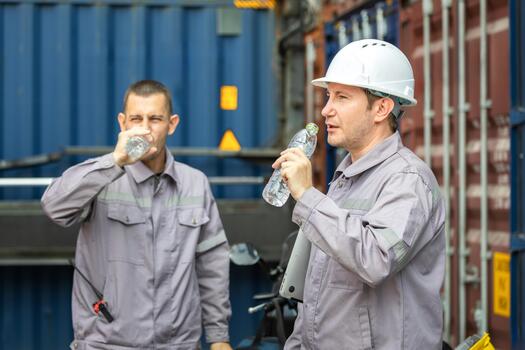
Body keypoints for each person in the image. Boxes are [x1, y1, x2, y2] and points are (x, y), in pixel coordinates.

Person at [275, 39, 446, 349]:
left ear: (382, 107)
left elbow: (375, 259)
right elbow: (316, 289)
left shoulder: (407, 180)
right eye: (329, 96)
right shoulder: (344, 179)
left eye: (342, 97)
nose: (326, 110)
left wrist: (308, 196)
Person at [41, 80, 232, 350]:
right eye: (136, 119)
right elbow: (54, 207)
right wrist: (115, 161)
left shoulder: (195, 183)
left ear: (172, 123)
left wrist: (219, 337)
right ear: (123, 123)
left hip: (178, 344)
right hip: (107, 343)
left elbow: (212, 264)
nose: (144, 129)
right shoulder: (100, 178)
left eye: (155, 119)